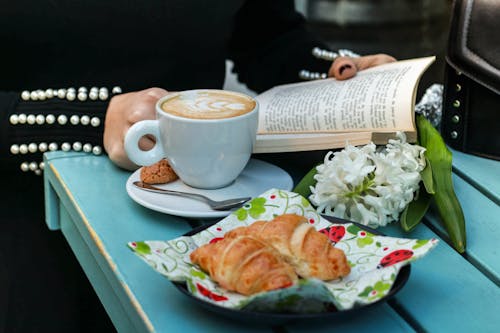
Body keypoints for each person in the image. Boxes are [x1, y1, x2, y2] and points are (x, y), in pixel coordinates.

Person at [0, 1, 395, 332]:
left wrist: (336, 73)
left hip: (215, 208)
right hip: (23, 202)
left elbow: (267, 37)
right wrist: (84, 118)